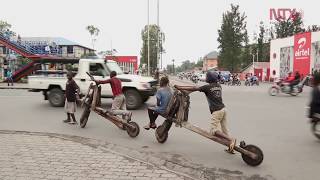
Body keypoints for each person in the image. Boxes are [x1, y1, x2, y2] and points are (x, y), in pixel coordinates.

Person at [174, 71, 236, 153]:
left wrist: (180, 87)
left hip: (217, 111)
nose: (205, 78)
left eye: (207, 77)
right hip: (223, 109)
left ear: (209, 78)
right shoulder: (218, 86)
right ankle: (231, 147)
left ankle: (231, 139)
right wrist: (187, 90)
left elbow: (194, 88)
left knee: (213, 131)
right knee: (225, 130)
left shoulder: (207, 87)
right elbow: (195, 89)